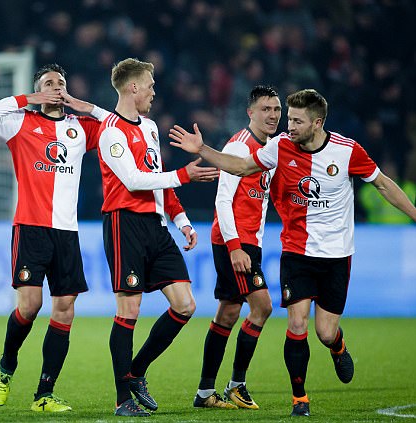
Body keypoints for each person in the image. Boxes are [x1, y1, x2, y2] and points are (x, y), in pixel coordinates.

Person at [169, 89, 416, 417]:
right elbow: (240, 167)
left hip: (336, 255)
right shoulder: (279, 145)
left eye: (296, 120)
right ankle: (299, 398)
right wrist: (203, 149)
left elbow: (383, 184)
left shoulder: (347, 151)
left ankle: (336, 345)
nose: (288, 125)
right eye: (287, 117)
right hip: (295, 252)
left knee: (323, 332)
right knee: (293, 321)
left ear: (317, 123)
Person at [0, 63, 110, 412]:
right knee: (30, 306)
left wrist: (86, 106)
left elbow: (116, 127)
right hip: (31, 228)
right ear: (38, 91)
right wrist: (27, 99)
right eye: (48, 83)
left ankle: (44, 395)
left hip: (67, 232)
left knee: (65, 310)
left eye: (61, 83)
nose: (56, 87)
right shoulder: (20, 123)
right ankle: (7, 366)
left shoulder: (80, 128)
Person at [97, 58, 219, 417]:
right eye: (149, 85)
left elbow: (157, 177)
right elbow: (134, 180)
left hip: (156, 225)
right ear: (132, 87)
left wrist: (182, 220)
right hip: (124, 223)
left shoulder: (150, 127)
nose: (153, 91)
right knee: (128, 310)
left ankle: (136, 372)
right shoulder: (111, 131)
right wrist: (184, 175)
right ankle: (122, 400)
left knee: (185, 305)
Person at [194, 85, 281, 411]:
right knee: (262, 307)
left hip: (249, 241)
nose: (272, 115)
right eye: (265, 109)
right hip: (234, 241)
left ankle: (205, 392)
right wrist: (235, 247)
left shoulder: (271, 148)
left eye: (276, 109)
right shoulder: (239, 145)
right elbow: (223, 200)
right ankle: (236, 385)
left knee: (229, 312)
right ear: (250, 112)